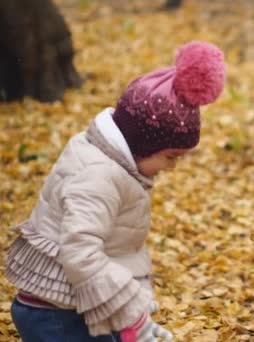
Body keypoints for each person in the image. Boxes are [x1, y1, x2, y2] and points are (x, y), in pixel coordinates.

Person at [5, 41, 226, 341]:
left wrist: (133, 309)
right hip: (53, 314)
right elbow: (80, 251)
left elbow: (112, 246)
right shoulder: (99, 175)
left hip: (75, 302)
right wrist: (126, 310)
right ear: (143, 144)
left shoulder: (118, 165)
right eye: (170, 156)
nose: (172, 167)